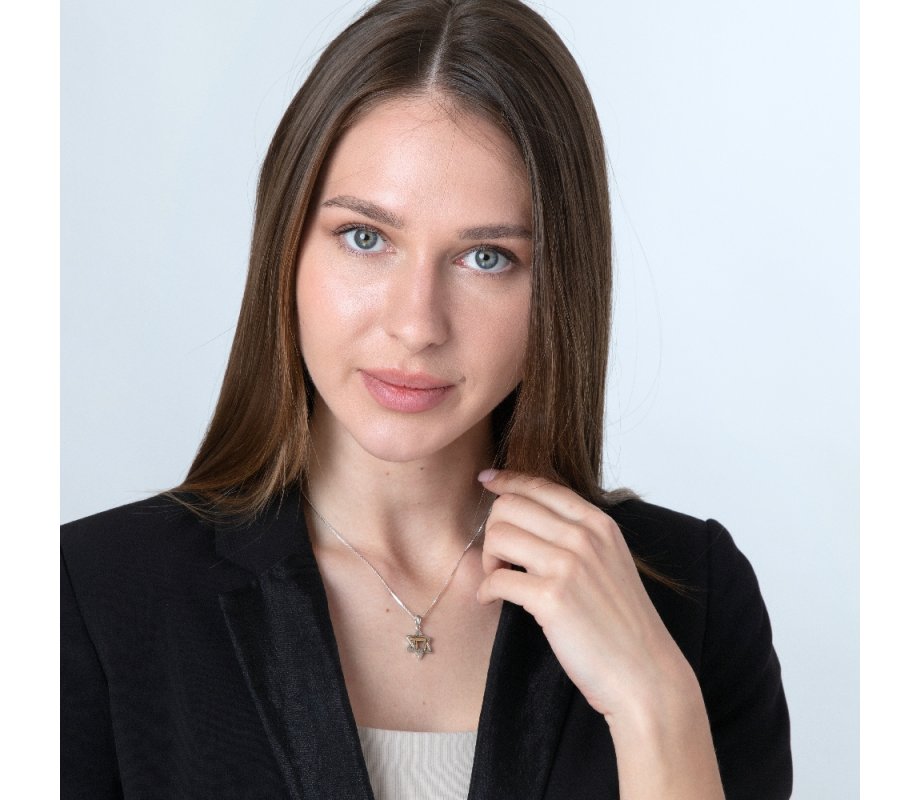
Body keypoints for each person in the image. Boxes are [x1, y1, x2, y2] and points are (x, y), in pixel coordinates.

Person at [60, 1, 792, 798]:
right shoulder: (93, 596)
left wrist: (653, 704)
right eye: (365, 238)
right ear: (286, 245)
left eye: (486, 256)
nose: (416, 324)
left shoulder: (689, 599)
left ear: (559, 286)